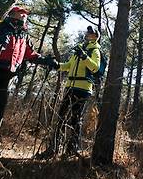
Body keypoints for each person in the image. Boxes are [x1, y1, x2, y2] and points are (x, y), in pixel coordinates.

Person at [0, 6, 57, 154]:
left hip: (9, 74)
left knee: (0, 106)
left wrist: (47, 61)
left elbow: (30, 54)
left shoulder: (23, 34)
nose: (24, 16)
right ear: (13, 14)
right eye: (21, 14)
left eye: (26, 15)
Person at [37, 26, 101, 159]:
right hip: (70, 87)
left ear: (96, 37)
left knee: (75, 119)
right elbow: (67, 66)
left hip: (83, 89)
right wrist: (56, 65)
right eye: (87, 32)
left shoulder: (95, 51)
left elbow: (95, 68)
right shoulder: (79, 50)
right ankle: (53, 149)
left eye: (91, 33)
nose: (88, 34)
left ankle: (71, 150)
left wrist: (84, 56)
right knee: (61, 117)